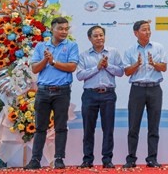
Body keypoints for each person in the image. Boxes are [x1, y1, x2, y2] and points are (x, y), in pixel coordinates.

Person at [25, 17, 79, 170]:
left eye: (66, 29)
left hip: (62, 91)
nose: (64, 31)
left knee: (61, 127)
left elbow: (72, 67)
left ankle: (59, 159)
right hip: (43, 92)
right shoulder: (41, 46)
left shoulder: (72, 46)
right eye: (60, 28)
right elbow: (35, 69)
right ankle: (35, 160)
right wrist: (45, 59)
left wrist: (53, 62)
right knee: (40, 127)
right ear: (51, 29)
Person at [76, 25, 124, 169]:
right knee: (88, 129)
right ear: (89, 38)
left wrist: (107, 65)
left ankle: (107, 159)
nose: (99, 38)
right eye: (95, 36)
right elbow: (79, 75)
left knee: (108, 129)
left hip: (108, 94)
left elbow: (121, 72)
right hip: (89, 95)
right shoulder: (84, 55)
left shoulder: (113, 52)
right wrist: (97, 67)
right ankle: (87, 160)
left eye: (101, 35)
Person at [123, 20, 168, 168]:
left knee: (153, 126)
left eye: (149, 30)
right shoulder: (130, 50)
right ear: (136, 33)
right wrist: (136, 64)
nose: (147, 32)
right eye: (144, 30)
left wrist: (153, 64)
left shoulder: (158, 47)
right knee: (133, 126)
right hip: (137, 89)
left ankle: (152, 159)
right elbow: (126, 72)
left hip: (155, 89)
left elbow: (164, 67)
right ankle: (131, 159)